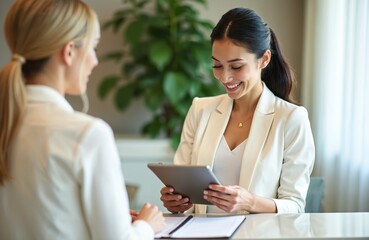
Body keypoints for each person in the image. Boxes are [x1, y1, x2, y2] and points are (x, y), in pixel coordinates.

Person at [0, 0, 165, 239]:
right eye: (93, 47)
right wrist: (146, 225)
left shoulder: (8, 122)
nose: (95, 60)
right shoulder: (88, 135)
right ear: (69, 52)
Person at [160, 7, 315, 214]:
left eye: (236, 66)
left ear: (264, 59)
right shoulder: (200, 110)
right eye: (217, 66)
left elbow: (295, 206)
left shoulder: (291, 119)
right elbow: (183, 192)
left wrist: (249, 202)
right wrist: (176, 202)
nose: (225, 77)